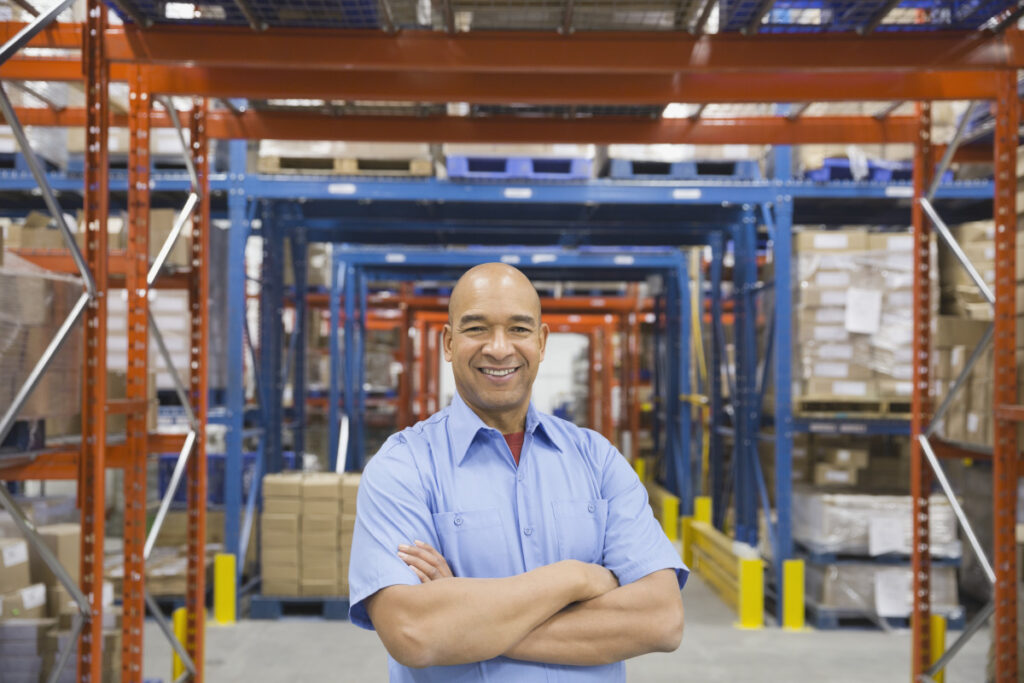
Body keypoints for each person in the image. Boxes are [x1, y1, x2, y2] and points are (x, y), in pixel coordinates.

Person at [348, 262, 687, 681]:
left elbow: (661, 619)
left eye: (519, 329)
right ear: (448, 343)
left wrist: (463, 623)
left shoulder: (597, 460)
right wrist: (576, 578)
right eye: (476, 329)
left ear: (541, 342)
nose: (499, 348)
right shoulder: (403, 468)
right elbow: (413, 632)